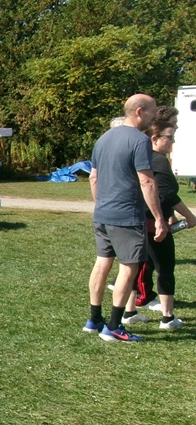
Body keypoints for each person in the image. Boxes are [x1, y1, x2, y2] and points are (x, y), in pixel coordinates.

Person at [84, 94, 167, 342]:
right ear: (139, 111)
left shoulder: (103, 138)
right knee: (129, 267)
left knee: (102, 263)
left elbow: (93, 177)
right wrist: (159, 218)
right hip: (127, 216)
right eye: (152, 111)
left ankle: (94, 320)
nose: (154, 117)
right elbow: (147, 181)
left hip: (102, 213)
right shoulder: (140, 140)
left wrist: (101, 205)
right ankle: (114, 326)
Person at [120, 121, 194, 329]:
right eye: (169, 137)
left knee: (135, 267)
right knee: (165, 267)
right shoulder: (159, 160)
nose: (172, 142)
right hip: (153, 225)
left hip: (135, 221)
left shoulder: (140, 157)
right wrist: (188, 216)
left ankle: (129, 311)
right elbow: (168, 194)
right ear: (154, 138)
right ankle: (167, 317)